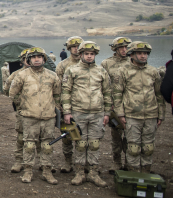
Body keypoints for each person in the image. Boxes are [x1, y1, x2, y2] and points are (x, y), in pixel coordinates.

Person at [61, 41, 111, 187]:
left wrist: (107, 112)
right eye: (87, 54)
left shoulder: (101, 71)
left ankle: (94, 173)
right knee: (81, 143)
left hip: (97, 113)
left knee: (94, 144)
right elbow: (66, 92)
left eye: (92, 54)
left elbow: (107, 93)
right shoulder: (72, 70)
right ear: (81, 54)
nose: (89, 57)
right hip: (78, 111)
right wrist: (67, 112)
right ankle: (79, 172)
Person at [9, 48, 61, 185]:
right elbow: (13, 93)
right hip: (29, 116)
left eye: (39, 57)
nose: (36, 59)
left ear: (44, 59)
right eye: (33, 57)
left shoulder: (52, 76)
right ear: (28, 60)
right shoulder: (21, 75)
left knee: (47, 145)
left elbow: (57, 95)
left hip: (48, 117)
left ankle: (47, 171)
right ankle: (28, 170)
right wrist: (24, 105)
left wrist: (53, 109)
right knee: (29, 145)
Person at [112, 42, 165, 173]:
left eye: (145, 53)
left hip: (151, 115)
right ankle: (133, 174)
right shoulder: (123, 71)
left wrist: (161, 114)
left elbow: (159, 94)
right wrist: (120, 114)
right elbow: (117, 94)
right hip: (131, 116)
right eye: (140, 53)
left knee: (148, 147)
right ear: (132, 54)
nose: (143, 56)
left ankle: (146, 173)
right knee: (133, 148)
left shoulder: (153, 72)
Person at [101, 36, 132, 173]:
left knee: (132, 137)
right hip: (114, 106)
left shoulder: (133, 62)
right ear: (115, 49)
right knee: (116, 136)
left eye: (126, 47)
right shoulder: (106, 64)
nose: (124, 50)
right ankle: (116, 162)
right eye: (121, 48)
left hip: (132, 105)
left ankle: (130, 163)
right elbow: (103, 86)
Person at [56, 36, 84, 174]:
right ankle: (68, 162)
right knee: (67, 137)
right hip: (66, 106)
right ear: (69, 48)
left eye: (79, 46)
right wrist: (60, 106)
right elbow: (58, 87)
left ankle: (83, 163)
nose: (77, 49)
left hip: (84, 106)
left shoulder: (89, 64)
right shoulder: (62, 65)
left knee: (83, 138)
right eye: (74, 47)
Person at [3, 49, 32, 173]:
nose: (29, 60)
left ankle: (43, 163)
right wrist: (19, 101)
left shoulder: (45, 74)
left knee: (41, 139)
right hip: (23, 111)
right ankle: (19, 161)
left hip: (41, 111)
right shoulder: (16, 75)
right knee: (21, 137)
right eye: (26, 58)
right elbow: (7, 90)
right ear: (22, 60)